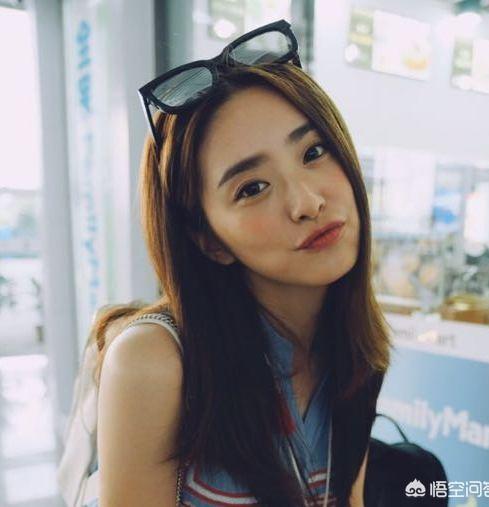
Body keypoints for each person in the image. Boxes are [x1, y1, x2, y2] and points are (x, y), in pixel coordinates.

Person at [91, 19, 392, 507]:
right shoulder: (156, 362)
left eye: (314, 152)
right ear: (210, 240)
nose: (307, 202)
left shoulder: (354, 347)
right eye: (252, 188)